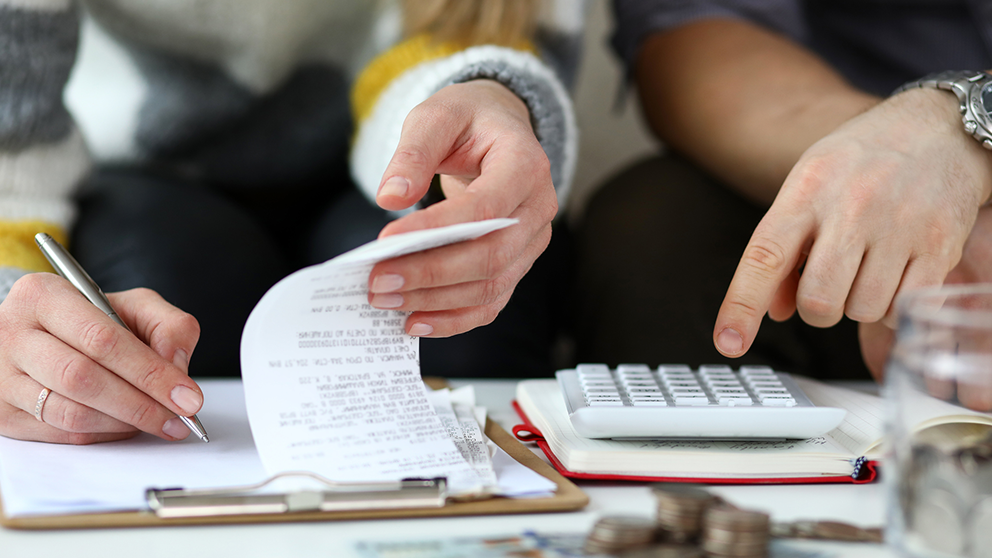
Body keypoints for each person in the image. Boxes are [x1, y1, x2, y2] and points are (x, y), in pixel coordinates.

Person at [0, 0, 585, 444]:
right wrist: (10, 307)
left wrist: (493, 98)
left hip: (395, 153)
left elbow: (481, 38)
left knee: (455, 322)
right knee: (163, 295)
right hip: (147, 170)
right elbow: (13, 123)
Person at [574, 1, 992, 388]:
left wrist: (963, 163)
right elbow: (700, 34)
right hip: (830, 127)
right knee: (657, 223)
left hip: (930, 187)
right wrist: (907, 174)